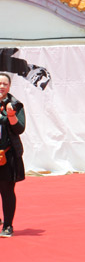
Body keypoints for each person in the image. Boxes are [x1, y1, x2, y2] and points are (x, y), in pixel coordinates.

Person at [0, 73, 26, 238]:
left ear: (9, 87)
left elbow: (19, 129)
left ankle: (8, 225)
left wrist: (11, 116)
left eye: (5, 84)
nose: (1, 86)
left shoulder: (15, 104)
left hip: (7, 154)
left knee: (6, 190)